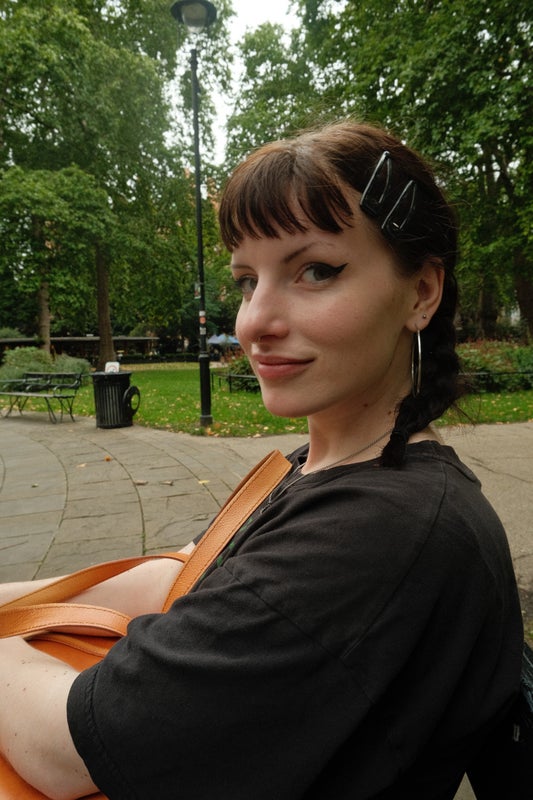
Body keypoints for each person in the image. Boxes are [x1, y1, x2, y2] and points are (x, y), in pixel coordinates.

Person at [0, 121, 524, 799]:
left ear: (421, 292)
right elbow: (187, 573)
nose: (253, 323)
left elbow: (68, 751)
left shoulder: (381, 531)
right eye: (248, 280)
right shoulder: (337, 469)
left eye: (316, 271)